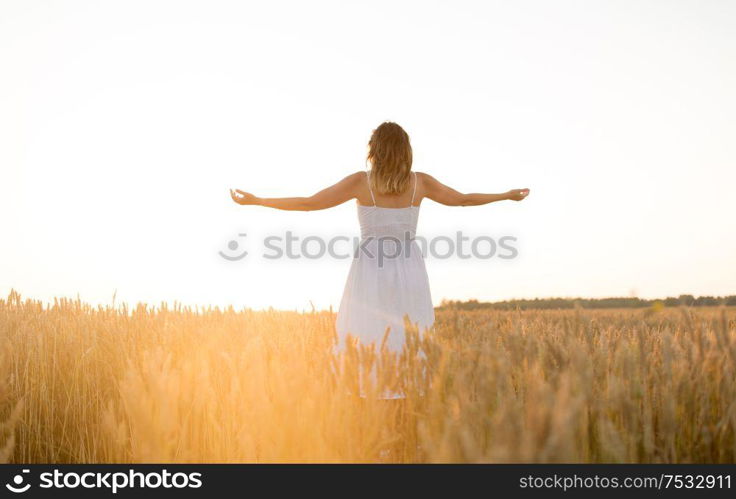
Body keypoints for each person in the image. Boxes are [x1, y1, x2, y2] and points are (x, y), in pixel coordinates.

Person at [230, 121, 529, 396]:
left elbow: (309, 204)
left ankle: (368, 399)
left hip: (371, 266)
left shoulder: (361, 182)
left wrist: (259, 201)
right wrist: (506, 195)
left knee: (365, 330)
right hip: (409, 266)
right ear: (406, 150)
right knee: (409, 332)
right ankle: (407, 395)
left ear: (375, 150)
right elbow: (463, 199)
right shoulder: (420, 183)